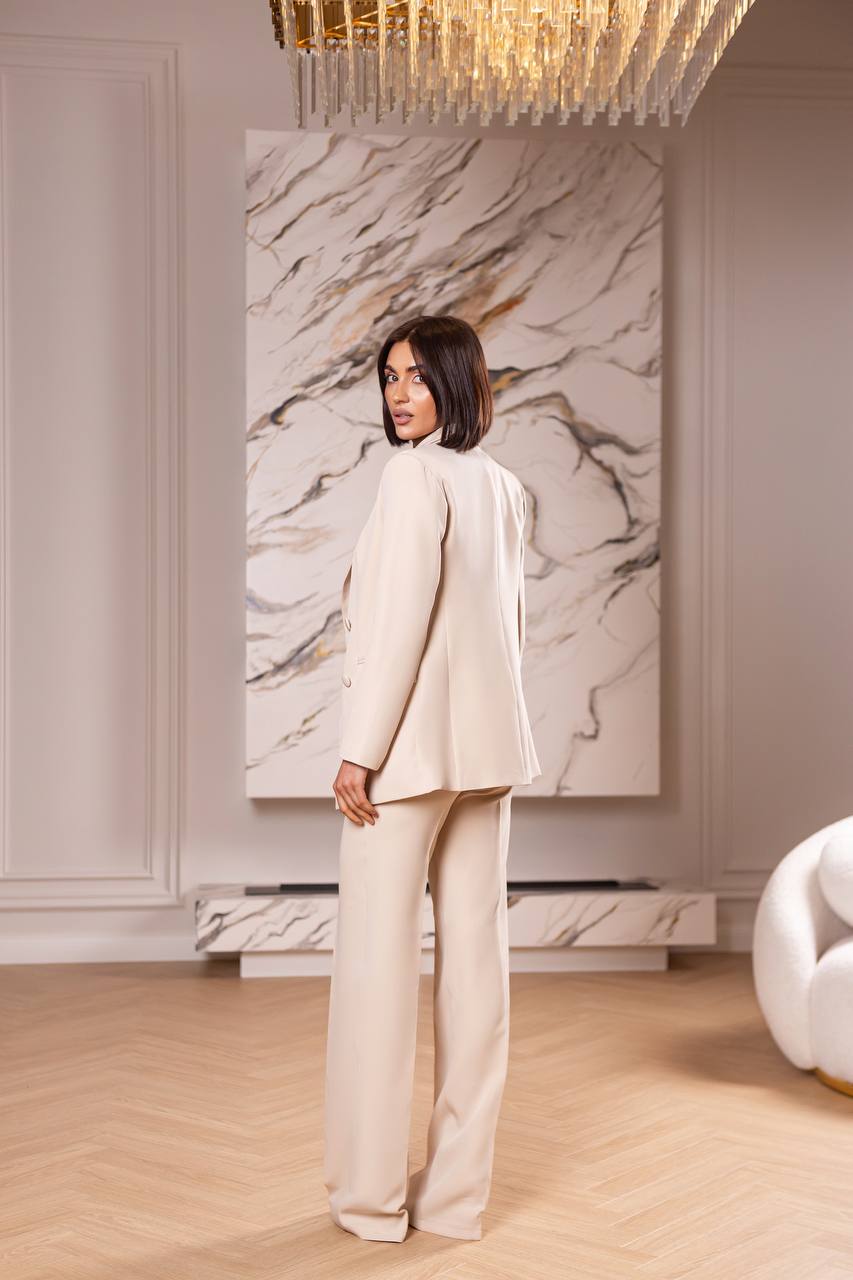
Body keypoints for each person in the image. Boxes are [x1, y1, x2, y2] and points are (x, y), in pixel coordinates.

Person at [324, 313, 541, 1244]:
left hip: (406, 761)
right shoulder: (503, 486)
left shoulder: (412, 477)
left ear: (457, 380)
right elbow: (507, 631)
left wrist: (358, 749)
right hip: (488, 759)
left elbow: (402, 622)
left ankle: (370, 1206)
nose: (398, 394)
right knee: (475, 979)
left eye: (415, 376)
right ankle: (454, 1204)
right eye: (387, 378)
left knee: (375, 979)